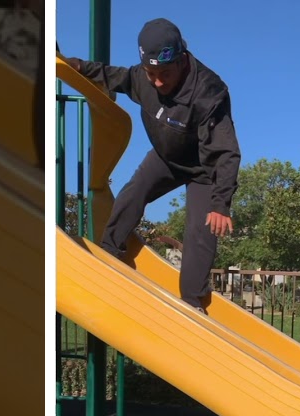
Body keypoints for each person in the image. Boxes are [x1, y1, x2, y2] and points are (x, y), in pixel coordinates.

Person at [63, 18, 241, 313]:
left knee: (201, 229)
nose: (158, 82)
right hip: (166, 158)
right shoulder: (142, 78)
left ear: (182, 60)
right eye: (151, 73)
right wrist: (76, 66)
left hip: (203, 171)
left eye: (165, 74)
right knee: (133, 192)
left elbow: (226, 150)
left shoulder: (209, 92)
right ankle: (109, 254)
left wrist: (221, 203)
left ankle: (192, 303)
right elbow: (111, 76)